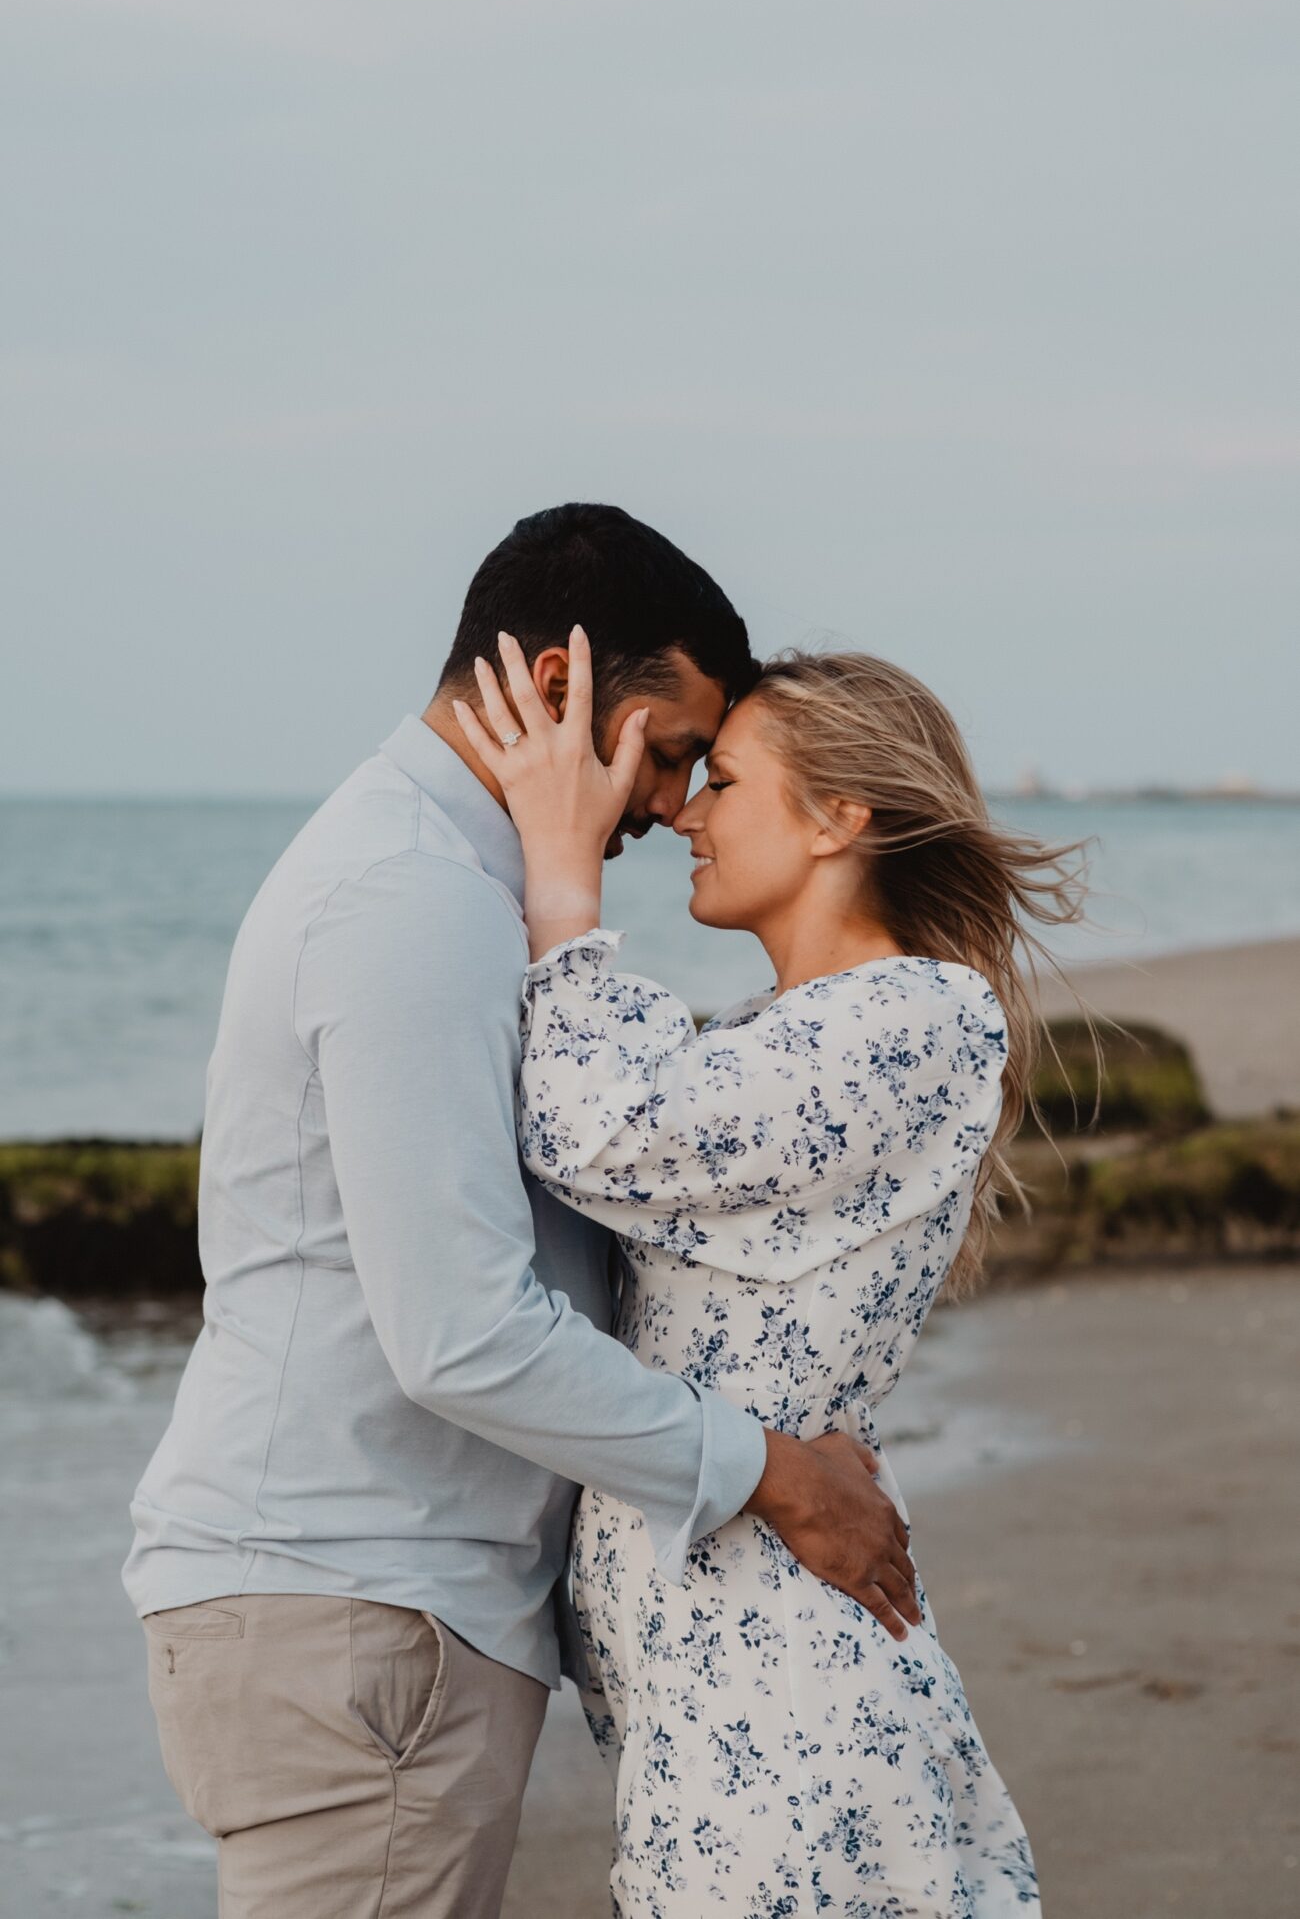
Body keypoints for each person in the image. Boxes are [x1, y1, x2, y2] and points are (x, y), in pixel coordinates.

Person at [122, 505, 919, 1919]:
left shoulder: (450, 886)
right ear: (558, 689)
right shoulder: (413, 902)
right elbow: (460, 1334)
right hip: (362, 1610)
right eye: (669, 753)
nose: (673, 806)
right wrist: (778, 1473)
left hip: (373, 1604)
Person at [455, 631, 1087, 1915]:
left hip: (778, 1669)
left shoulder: (916, 1018)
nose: (684, 813)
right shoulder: (776, 1035)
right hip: (705, 1656)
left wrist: (563, 882)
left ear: (839, 816)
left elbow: (597, 1130)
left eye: (723, 781)